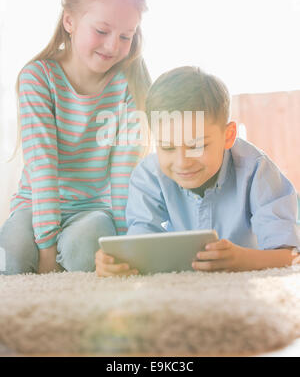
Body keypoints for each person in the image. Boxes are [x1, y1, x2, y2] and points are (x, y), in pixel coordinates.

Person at [0, 0, 151, 275]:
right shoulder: (38, 78)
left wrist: (123, 245)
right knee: (12, 254)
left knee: (85, 252)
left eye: (126, 36)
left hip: (94, 209)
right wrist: (46, 249)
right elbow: (43, 168)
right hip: (35, 204)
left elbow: (123, 175)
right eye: (101, 31)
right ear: (70, 21)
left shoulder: (126, 85)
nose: (113, 46)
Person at [95, 66, 300, 276]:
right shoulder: (148, 175)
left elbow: (291, 257)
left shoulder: (257, 170)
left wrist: (242, 259)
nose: (182, 162)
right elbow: (140, 244)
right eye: (167, 147)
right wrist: (118, 261)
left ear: (228, 136)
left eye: (196, 146)